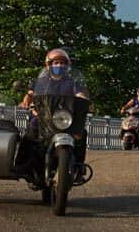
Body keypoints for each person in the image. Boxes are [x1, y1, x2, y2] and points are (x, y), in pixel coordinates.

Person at [18, 48, 90, 181]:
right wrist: (25, 103)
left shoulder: (73, 83)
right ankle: (24, 164)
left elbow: (80, 94)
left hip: (64, 118)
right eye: (56, 62)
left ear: (67, 65)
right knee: (32, 127)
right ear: (49, 65)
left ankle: (79, 168)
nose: (59, 65)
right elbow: (30, 95)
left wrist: (84, 101)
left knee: (82, 132)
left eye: (62, 63)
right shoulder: (41, 82)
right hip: (42, 117)